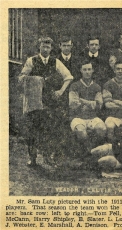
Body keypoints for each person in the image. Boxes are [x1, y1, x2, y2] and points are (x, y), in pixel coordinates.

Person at [18, 37, 73, 167]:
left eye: (48, 47)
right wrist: (35, 80)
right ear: (39, 47)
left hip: (49, 101)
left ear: (51, 48)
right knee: (32, 129)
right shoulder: (31, 61)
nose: (45, 49)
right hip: (34, 101)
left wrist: (60, 91)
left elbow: (69, 76)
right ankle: (32, 158)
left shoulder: (56, 62)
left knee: (49, 129)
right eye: (43, 46)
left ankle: (48, 156)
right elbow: (21, 78)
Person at [69, 60, 106, 157]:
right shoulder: (75, 86)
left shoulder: (97, 87)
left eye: (89, 69)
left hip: (92, 117)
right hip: (78, 117)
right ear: (81, 70)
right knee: (81, 131)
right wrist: (91, 103)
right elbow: (73, 104)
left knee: (101, 128)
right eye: (84, 69)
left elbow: (99, 105)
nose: (87, 72)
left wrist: (82, 101)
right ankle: (87, 154)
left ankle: (95, 152)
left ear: (93, 70)